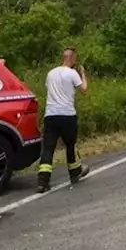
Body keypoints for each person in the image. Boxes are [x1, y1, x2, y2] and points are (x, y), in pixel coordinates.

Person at [36, 47, 90, 193]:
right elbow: (84, 90)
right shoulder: (72, 73)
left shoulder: (50, 73)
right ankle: (74, 172)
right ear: (71, 58)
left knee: (48, 148)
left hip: (51, 115)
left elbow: (49, 89)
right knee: (70, 146)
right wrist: (83, 74)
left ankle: (43, 182)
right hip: (67, 115)